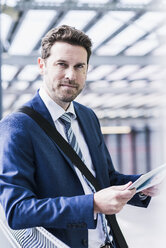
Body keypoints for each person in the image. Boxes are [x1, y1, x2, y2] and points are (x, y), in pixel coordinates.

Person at [0, 25, 158, 248]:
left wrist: (143, 186)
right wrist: (92, 204)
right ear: (41, 65)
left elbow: (105, 178)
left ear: (87, 69)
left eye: (79, 66)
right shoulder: (17, 126)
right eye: (62, 64)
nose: (70, 75)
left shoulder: (87, 116)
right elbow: (17, 211)